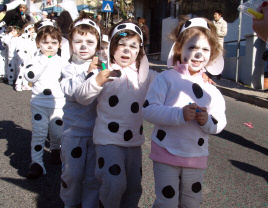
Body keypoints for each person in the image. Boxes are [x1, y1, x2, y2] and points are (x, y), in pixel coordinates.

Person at [142, 17, 227, 208]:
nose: (198, 54)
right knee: (167, 202)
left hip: (195, 157)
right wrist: (179, 115)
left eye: (205, 49)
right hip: (165, 153)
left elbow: (220, 121)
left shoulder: (211, 89)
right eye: (192, 48)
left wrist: (207, 121)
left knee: (192, 203)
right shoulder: (166, 78)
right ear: (180, 48)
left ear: (212, 53)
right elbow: (148, 110)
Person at [74, 20, 158, 208]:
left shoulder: (146, 75)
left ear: (139, 51)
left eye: (133, 46)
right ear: (112, 48)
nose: (127, 50)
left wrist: (198, 77)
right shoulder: (103, 71)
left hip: (134, 142)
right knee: (114, 183)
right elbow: (81, 97)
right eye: (121, 45)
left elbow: (169, 85)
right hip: (108, 140)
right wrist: (96, 81)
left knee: (134, 187)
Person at [60, 13, 101, 208]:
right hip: (73, 131)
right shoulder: (69, 69)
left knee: (93, 176)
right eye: (78, 41)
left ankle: (89, 205)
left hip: (96, 133)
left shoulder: (103, 66)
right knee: (72, 173)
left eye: (89, 42)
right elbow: (71, 92)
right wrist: (87, 73)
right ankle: (69, 203)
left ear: (98, 45)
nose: (84, 46)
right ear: (71, 44)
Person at [24, 20, 69, 179]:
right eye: (45, 42)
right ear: (38, 44)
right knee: (39, 133)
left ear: (59, 44)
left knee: (57, 133)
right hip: (39, 103)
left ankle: (55, 149)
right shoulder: (34, 60)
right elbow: (30, 76)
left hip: (58, 103)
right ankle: (36, 163)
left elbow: (70, 80)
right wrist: (43, 60)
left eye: (53, 42)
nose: (49, 46)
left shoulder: (63, 62)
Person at [14, 22, 37, 91]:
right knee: (21, 71)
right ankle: (18, 84)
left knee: (27, 71)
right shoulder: (21, 38)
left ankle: (25, 84)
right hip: (23, 58)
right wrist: (23, 57)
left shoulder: (30, 39)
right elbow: (18, 49)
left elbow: (33, 48)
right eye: (32, 32)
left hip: (29, 58)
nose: (33, 33)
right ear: (27, 30)